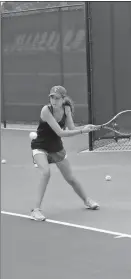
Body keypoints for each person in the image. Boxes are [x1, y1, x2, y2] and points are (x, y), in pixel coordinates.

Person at [30, 85, 100, 221]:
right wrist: (82, 131)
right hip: (40, 147)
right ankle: (36, 210)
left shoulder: (66, 109)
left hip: (56, 147)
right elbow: (61, 132)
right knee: (45, 172)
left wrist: (85, 128)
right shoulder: (46, 110)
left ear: (63, 99)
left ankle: (86, 200)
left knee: (71, 178)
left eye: (57, 98)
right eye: (52, 97)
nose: (54, 101)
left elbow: (72, 128)